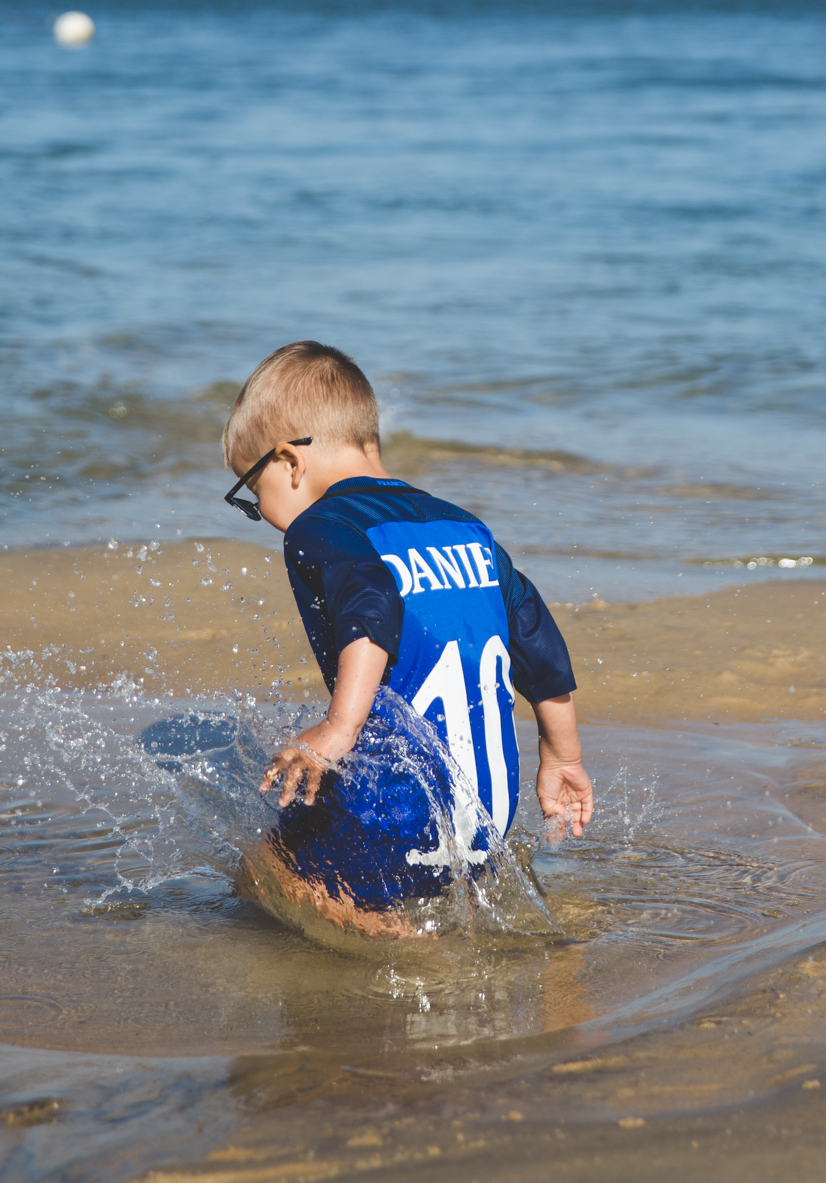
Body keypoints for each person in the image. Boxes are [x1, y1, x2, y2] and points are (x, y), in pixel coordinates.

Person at [222, 339, 593, 935]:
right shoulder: (464, 526)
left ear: (289, 462)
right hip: (490, 816)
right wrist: (563, 757)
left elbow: (372, 600)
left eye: (249, 494)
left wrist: (336, 731)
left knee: (260, 872)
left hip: (399, 811)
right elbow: (537, 638)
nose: (258, 512)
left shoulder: (322, 528)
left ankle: (400, 947)